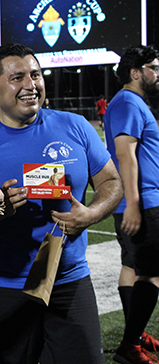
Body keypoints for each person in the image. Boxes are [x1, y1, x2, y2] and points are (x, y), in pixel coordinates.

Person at [0, 43, 123, 364]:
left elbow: (111, 181)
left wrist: (91, 213)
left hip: (70, 279)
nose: (31, 85)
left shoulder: (75, 127)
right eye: (17, 78)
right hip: (6, 285)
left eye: (36, 75)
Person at [104, 45, 159, 364]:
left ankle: (134, 337)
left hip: (137, 202)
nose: (157, 73)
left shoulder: (132, 102)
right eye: (154, 67)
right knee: (151, 276)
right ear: (136, 72)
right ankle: (130, 345)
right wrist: (135, 205)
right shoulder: (128, 101)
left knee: (131, 268)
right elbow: (125, 155)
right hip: (144, 202)